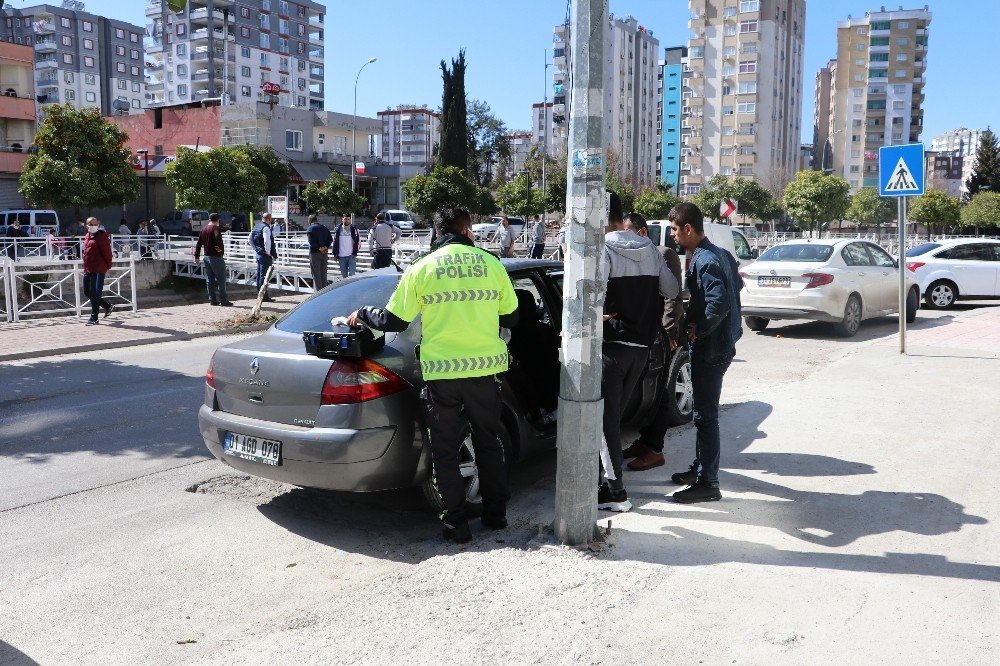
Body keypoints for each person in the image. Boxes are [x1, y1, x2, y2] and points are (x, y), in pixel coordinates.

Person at [347, 205, 519, 544]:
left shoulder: (422, 268)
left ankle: (457, 526)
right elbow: (512, 318)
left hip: (443, 377)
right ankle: (496, 516)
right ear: (468, 230)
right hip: (485, 375)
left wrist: (362, 313)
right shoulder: (491, 265)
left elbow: (394, 321)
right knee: (489, 443)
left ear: (437, 234)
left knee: (445, 450)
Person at [598, 192, 680, 513]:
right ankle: (607, 483)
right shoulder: (649, 248)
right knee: (612, 421)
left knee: (605, 423)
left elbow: (595, 293)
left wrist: (605, 313)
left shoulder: (603, 249)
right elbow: (672, 290)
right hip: (642, 349)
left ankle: (616, 494)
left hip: (612, 347)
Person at [668, 202, 743, 504]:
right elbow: (736, 284)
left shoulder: (706, 260)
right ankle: (701, 469)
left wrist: (699, 329)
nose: (672, 236)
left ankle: (709, 483)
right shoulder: (720, 254)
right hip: (723, 343)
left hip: (712, 348)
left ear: (688, 229)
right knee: (704, 414)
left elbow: (719, 303)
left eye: (674, 230)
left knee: (705, 416)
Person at [620, 212, 685, 472]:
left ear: (643, 232)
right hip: (642, 334)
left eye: (628, 232)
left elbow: (673, 298)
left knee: (660, 392)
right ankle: (646, 441)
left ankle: (655, 449)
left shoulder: (663, 254)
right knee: (646, 390)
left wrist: (668, 332)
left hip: (661, 335)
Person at [194, 212, 232, 306]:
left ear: (209, 219)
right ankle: (223, 300)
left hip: (206, 257)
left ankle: (212, 299)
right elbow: (218, 239)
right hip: (216, 257)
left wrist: (197, 256)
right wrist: (220, 250)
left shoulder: (204, 229)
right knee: (221, 279)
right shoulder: (215, 229)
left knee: (209, 279)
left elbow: (199, 244)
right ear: (217, 220)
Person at [81, 217, 114, 325]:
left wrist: (108, 266)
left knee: (95, 293)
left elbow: (107, 253)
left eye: (95, 224)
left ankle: (94, 317)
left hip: (99, 269)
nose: (93, 226)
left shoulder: (102, 236)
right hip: (88, 269)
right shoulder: (87, 236)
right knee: (87, 292)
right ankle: (107, 306)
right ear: (87, 226)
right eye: (91, 224)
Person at [251, 213, 278, 301]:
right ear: (269, 219)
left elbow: (249, 239)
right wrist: (268, 252)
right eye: (271, 219)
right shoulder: (266, 228)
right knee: (265, 276)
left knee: (259, 275)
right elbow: (267, 241)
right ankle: (264, 296)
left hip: (259, 254)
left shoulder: (256, 226)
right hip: (265, 255)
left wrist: (256, 249)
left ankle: (260, 293)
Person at [305, 214, 333, 289]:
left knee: (316, 274)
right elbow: (330, 239)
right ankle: (324, 292)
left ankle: (319, 292)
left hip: (314, 253)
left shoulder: (310, 228)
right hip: (324, 253)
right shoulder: (324, 227)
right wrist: (325, 247)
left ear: (310, 221)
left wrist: (319, 248)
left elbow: (311, 241)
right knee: (324, 274)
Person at [331, 214, 360, 281]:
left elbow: (357, 241)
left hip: (351, 256)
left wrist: (355, 253)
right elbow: (335, 242)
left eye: (348, 219)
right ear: (342, 219)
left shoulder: (353, 229)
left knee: (352, 274)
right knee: (344, 277)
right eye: (345, 219)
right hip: (341, 256)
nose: (346, 220)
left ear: (350, 220)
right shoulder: (338, 229)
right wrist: (335, 254)